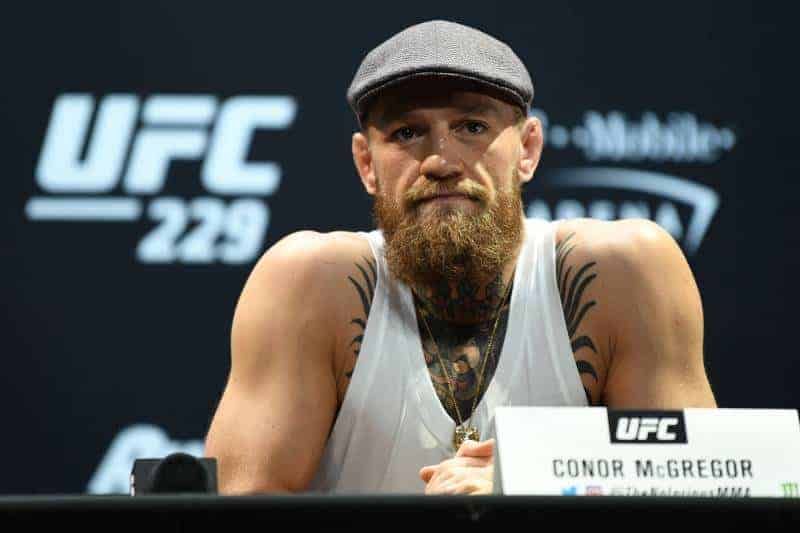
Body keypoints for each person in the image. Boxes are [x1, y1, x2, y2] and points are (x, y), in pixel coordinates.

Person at [204, 19, 716, 496]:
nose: (440, 161)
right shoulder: (311, 284)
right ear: (366, 163)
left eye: (471, 127)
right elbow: (234, 514)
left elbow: (701, 491)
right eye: (407, 132)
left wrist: (526, 485)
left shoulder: (621, 272)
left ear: (528, 150)